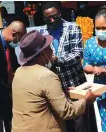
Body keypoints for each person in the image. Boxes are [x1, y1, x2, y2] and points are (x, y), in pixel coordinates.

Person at [11, 30, 98, 132]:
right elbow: (65, 111)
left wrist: (62, 92)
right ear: (42, 53)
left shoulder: (19, 72)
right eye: (49, 48)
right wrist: (86, 100)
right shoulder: (47, 76)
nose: (52, 51)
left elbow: (36, 97)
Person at [40, 2, 89, 132]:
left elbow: (78, 54)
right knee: (62, 121)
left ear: (60, 13)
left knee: (80, 120)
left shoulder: (73, 28)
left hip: (74, 81)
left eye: (54, 16)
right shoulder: (42, 32)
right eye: (47, 18)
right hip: (54, 85)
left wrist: (58, 60)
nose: (51, 20)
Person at [0, 21, 27, 132]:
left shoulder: (8, 44)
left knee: (12, 126)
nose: (19, 44)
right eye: (20, 39)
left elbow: (14, 65)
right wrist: (9, 90)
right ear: (14, 34)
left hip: (7, 94)